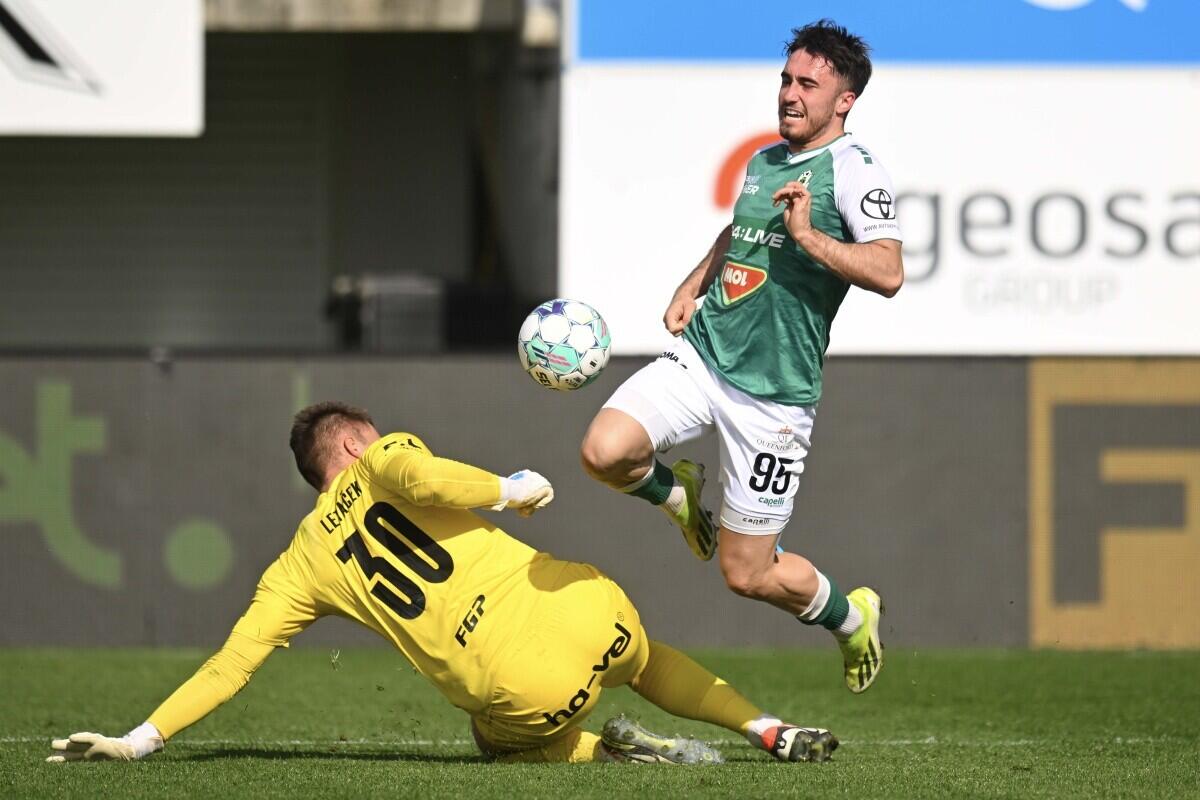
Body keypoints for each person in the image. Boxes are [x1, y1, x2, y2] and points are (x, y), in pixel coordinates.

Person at [47, 402, 837, 765]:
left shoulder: (298, 565)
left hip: (528, 691)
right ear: (356, 442)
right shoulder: (383, 454)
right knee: (645, 657)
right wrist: (506, 487)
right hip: (592, 608)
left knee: (494, 740)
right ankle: (764, 728)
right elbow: (417, 471)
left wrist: (139, 738)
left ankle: (608, 752)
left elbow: (231, 666)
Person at [580, 19, 903, 695]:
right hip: (705, 356)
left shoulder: (854, 172)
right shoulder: (763, 161)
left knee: (748, 574)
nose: (790, 93)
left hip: (774, 399)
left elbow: (887, 271)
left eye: (808, 84)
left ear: (843, 99)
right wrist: (693, 283)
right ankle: (677, 494)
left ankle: (851, 618)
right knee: (604, 450)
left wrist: (809, 235)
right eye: (786, 78)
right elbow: (740, 230)